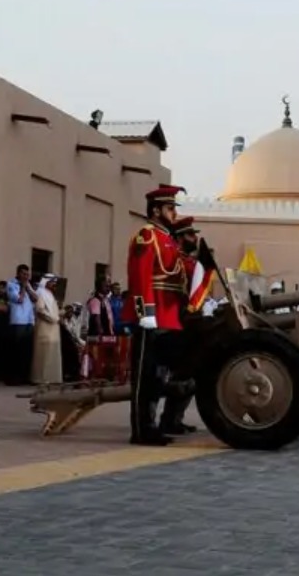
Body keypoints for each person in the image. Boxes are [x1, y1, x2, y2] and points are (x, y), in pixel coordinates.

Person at [123, 184, 190, 446]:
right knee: (144, 377)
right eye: (170, 208)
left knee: (158, 376)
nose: (174, 213)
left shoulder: (167, 239)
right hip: (152, 316)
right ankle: (141, 429)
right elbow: (140, 277)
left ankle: (152, 425)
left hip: (168, 316)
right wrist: (145, 313)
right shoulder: (146, 236)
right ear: (155, 210)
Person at [159, 215, 214, 436]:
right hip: (179, 323)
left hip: (189, 322)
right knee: (181, 373)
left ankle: (175, 419)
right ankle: (168, 420)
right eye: (191, 234)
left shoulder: (189, 262)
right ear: (180, 238)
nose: (195, 238)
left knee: (189, 373)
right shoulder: (179, 263)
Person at [31, 275, 63, 384]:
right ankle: (41, 379)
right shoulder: (41, 293)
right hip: (44, 328)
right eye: (52, 282)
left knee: (52, 354)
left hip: (54, 328)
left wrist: (60, 315)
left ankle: (52, 379)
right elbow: (40, 311)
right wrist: (53, 318)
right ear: (46, 282)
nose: (54, 284)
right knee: (44, 355)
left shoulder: (51, 295)